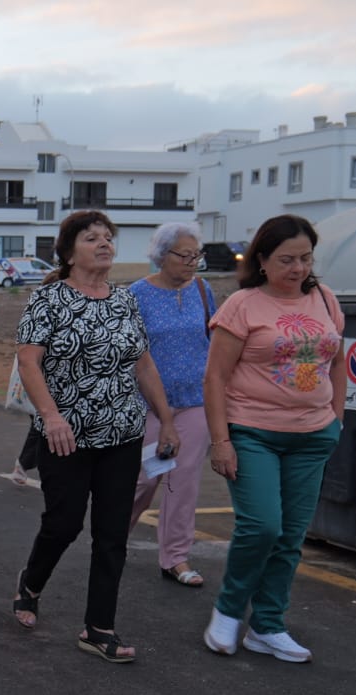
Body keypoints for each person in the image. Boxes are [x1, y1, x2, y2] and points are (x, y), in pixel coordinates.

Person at [12, 210, 179, 664]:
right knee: (64, 524)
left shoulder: (124, 300)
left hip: (122, 433)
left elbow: (142, 364)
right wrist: (52, 417)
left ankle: (98, 627)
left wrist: (165, 419)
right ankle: (30, 584)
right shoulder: (48, 300)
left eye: (109, 237)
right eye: (92, 238)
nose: (105, 244)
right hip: (65, 435)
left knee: (112, 534)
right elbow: (29, 362)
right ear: (68, 252)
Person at [202, 214, 345, 663]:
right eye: (287, 259)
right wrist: (221, 441)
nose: (298, 268)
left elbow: (337, 361)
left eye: (305, 258)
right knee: (262, 526)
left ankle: (267, 625)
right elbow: (215, 377)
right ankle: (228, 610)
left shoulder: (324, 298)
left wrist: (336, 420)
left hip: (313, 434)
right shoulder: (243, 305)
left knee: (290, 537)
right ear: (262, 260)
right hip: (253, 432)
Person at [128, 223, 216, 587]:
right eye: (185, 255)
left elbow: (214, 337)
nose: (192, 262)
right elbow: (131, 352)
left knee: (184, 481)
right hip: (150, 404)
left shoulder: (201, 288)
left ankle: (175, 557)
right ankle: (112, 539)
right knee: (144, 479)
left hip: (196, 401)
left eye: (197, 255)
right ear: (162, 256)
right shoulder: (137, 294)